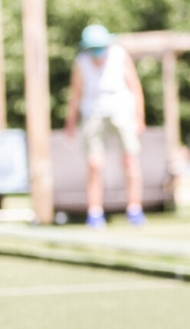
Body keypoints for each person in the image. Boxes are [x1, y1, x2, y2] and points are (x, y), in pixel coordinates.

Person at [63, 24, 147, 228]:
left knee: (130, 161)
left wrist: (140, 115)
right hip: (93, 112)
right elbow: (76, 93)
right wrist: (71, 121)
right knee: (94, 164)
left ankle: (135, 210)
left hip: (121, 109)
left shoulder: (119, 55)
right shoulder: (81, 62)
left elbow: (134, 85)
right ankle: (95, 213)